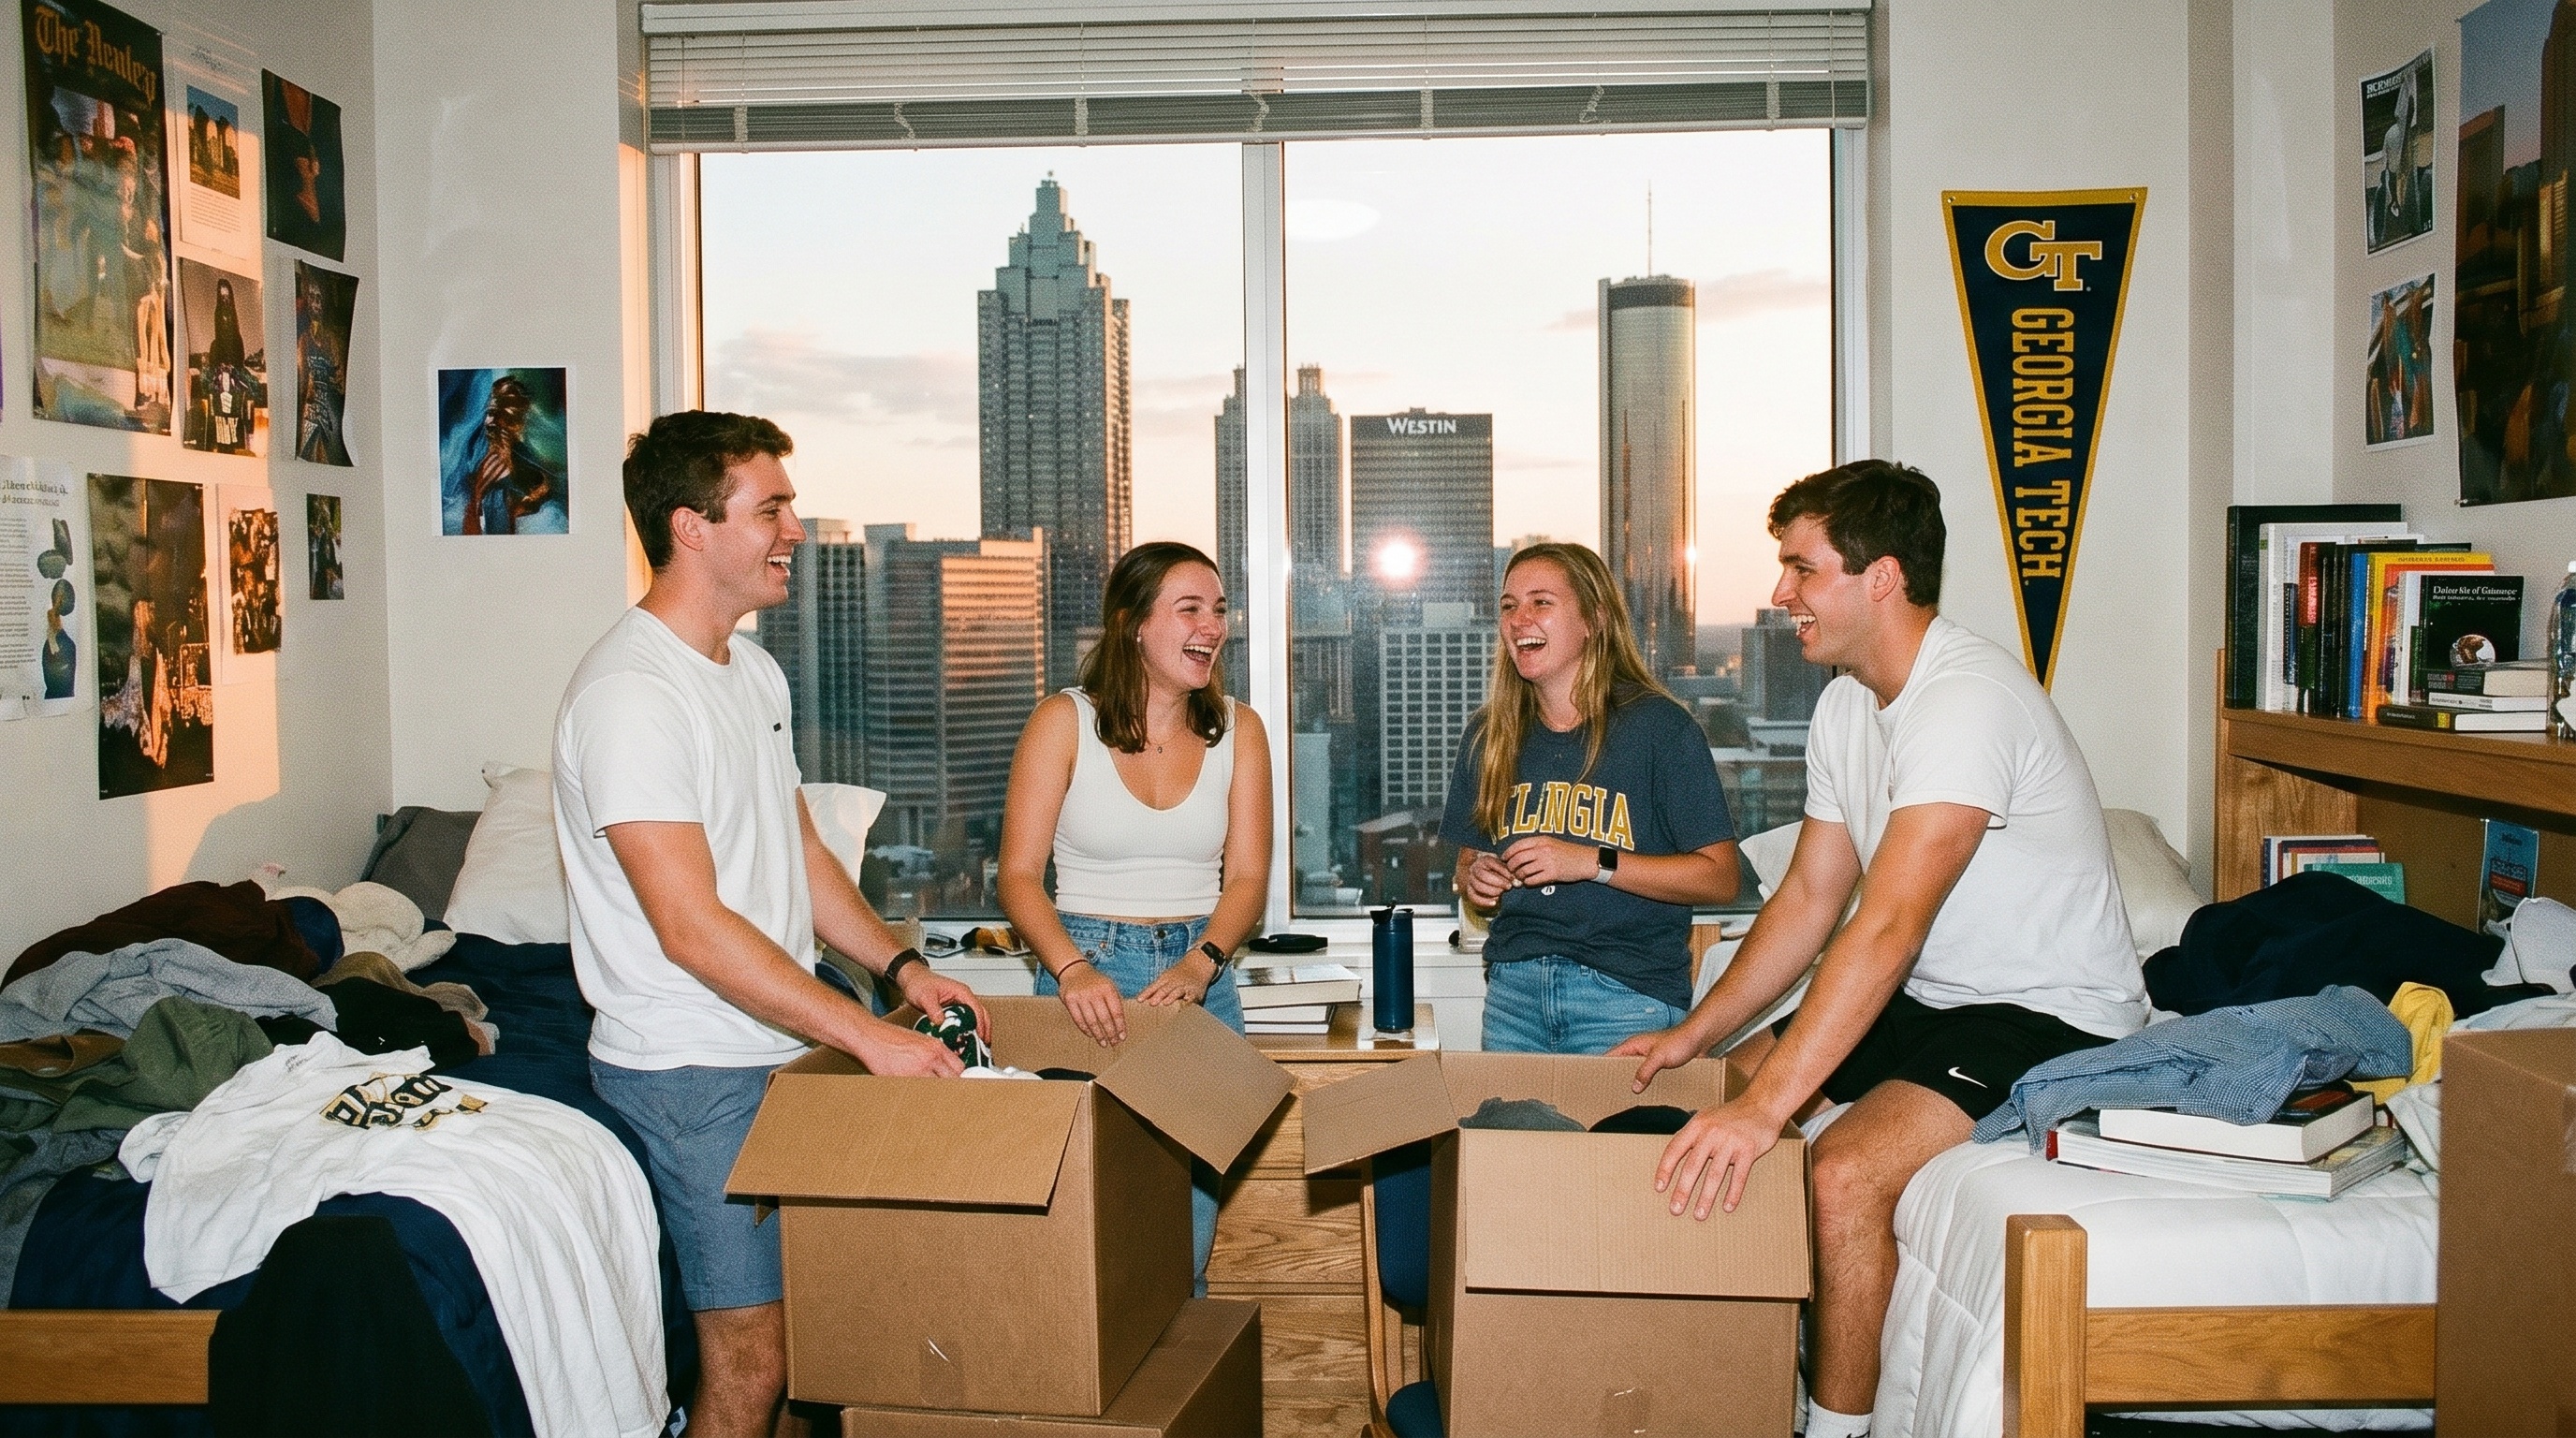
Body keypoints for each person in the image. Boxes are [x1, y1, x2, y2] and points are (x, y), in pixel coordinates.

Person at [1611, 460, 2147, 1438]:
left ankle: (1840, 1430)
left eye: (1801, 570)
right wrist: (1698, 1037)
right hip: (1939, 994)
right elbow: (1811, 901)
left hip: (2047, 1010)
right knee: (1721, 1093)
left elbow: (1886, 923)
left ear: (1881, 578)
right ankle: (1732, 1363)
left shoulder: (1966, 701)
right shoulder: (1848, 705)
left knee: (1840, 1172)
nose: (1780, 596)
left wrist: (1777, 1109)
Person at [555, 410, 988, 1438]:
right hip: (692, 1070)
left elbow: (797, 853)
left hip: (776, 1049)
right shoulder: (630, 695)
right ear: (691, 528)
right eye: (773, 508)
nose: (794, 528)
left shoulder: (750, 672)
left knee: (814, 1340)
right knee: (750, 1359)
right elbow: (692, 928)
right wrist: (864, 1035)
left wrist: (898, 968)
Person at [997, 539, 1272, 1293]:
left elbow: (1248, 877)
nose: (1212, 626)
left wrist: (1200, 963)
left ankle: (1174, 1395)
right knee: (1080, 1211)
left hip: (1202, 980)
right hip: (1085, 972)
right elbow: (1018, 877)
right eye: (1190, 609)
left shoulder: (1240, 731)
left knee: (1187, 1222)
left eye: (1218, 611)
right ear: (1133, 627)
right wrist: (1073, 967)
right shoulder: (1063, 721)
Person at [1444, 541, 1740, 1054]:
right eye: (1509, 606)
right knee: (1508, 1137)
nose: (1519, 620)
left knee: (1615, 1139)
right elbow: (1467, 865)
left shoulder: (1661, 729)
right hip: (1513, 994)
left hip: (1627, 998)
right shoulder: (1487, 735)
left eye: (1541, 602)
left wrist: (1589, 862)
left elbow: (1720, 877)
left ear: (1593, 620)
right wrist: (1476, 877)